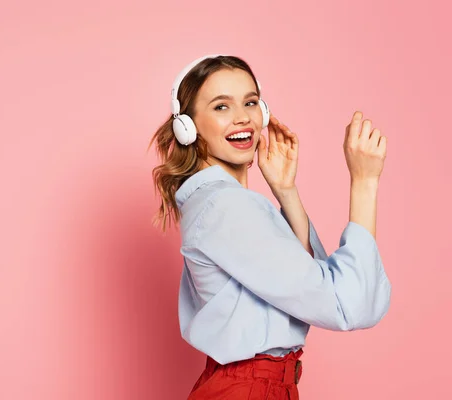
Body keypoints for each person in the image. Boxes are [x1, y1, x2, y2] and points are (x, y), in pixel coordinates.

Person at [149, 54, 391, 400]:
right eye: (221, 107)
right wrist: (365, 182)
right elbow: (347, 303)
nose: (242, 117)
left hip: (256, 387)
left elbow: (304, 279)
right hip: (249, 390)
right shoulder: (225, 206)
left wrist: (285, 190)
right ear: (187, 127)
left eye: (250, 102)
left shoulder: (220, 203)